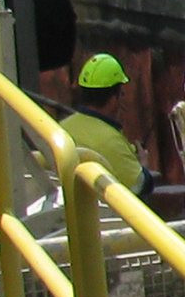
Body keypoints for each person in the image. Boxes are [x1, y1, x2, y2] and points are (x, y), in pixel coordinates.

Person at [58, 52, 153, 193]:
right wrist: (144, 165)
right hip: (101, 214)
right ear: (115, 97)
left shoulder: (60, 129)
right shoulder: (112, 141)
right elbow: (140, 187)